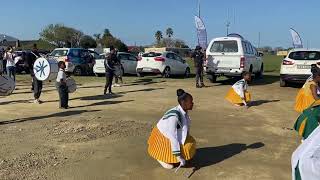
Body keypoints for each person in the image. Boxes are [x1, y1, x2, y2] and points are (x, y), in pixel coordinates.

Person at [147, 89, 196, 169]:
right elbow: (172, 137)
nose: (193, 103)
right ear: (184, 102)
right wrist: (179, 157)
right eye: (191, 101)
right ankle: (160, 158)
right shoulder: (174, 117)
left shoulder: (184, 112)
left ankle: (175, 157)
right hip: (163, 137)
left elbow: (185, 130)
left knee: (189, 145)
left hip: (174, 136)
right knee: (170, 166)